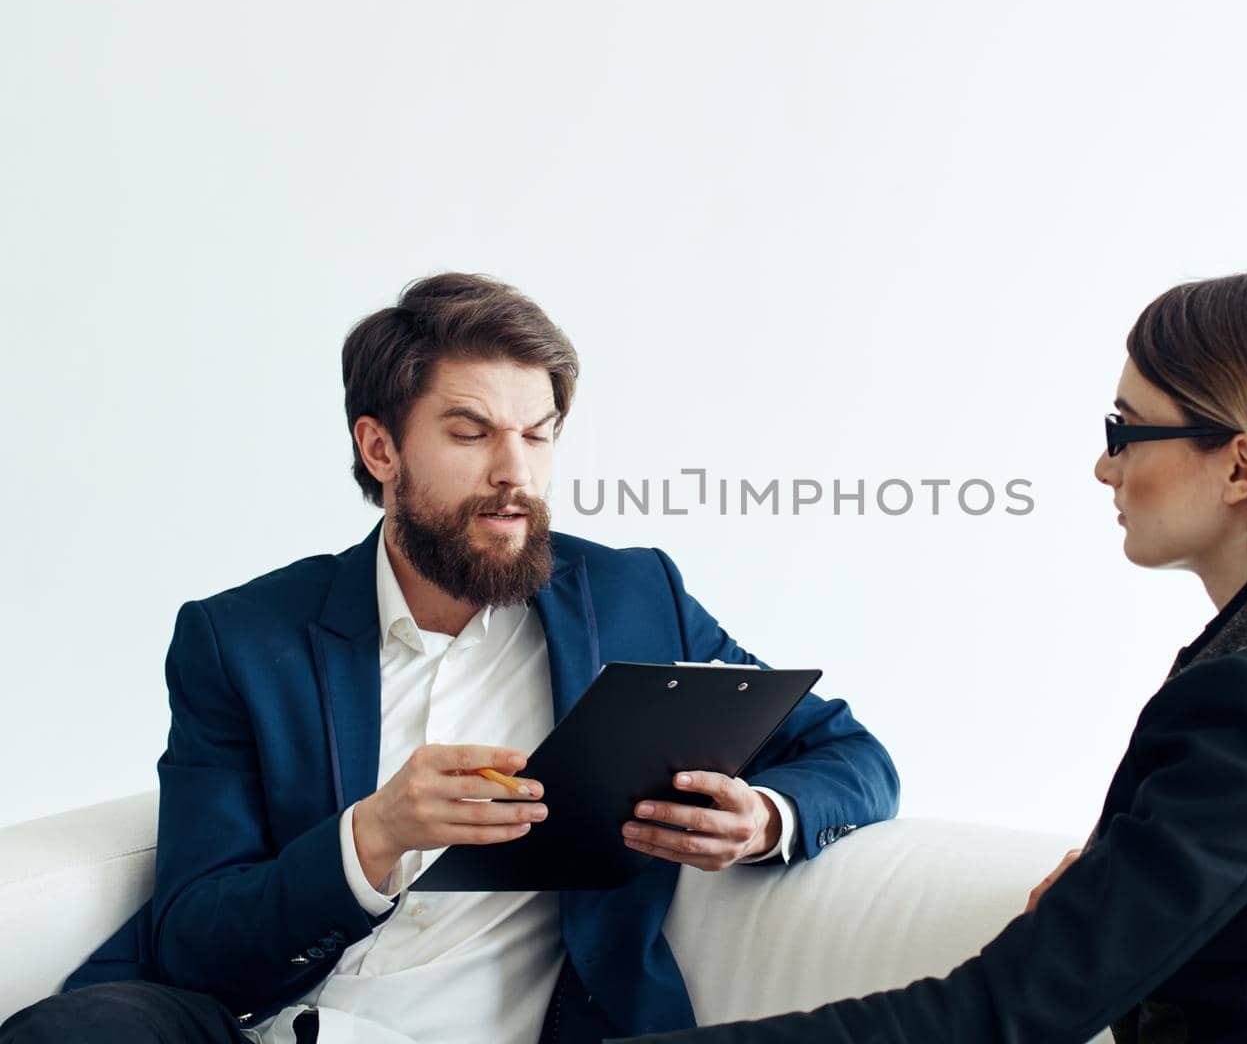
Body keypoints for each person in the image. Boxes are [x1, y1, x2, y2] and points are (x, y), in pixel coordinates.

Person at [0, 273, 899, 1044]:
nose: (517, 472)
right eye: (471, 434)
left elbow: (854, 757)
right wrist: (376, 834)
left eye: (538, 434)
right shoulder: (241, 639)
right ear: (380, 448)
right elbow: (193, 935)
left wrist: (765, 820)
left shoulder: (631, 600)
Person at [613, 271, 1247, 1043]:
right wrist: (1147, 899)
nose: (1105, 467)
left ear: (1241, 466)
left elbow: (1001, 1016)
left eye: (1126, 430)